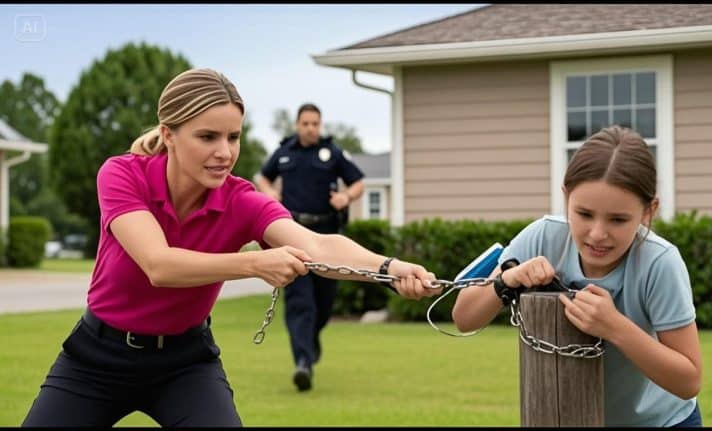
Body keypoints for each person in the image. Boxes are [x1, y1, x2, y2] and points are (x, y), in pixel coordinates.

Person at [21, 68, 441, 427]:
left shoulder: (240, 199)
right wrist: (254, 263)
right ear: (168, 134)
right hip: (96, 359)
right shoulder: (121, 175)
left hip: (185, 365)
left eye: (233, 137)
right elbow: (158, 265)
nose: (225, 153)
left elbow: (314, 243)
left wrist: (390, 267)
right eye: (207, 137)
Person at [451, 126, 703, 427]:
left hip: (663, 422)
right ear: (566, 196)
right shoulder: (543, 236)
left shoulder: (660, 263)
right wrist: (508, 280)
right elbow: (464, 318)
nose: (597, 234)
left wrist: (614, 327)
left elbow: (689, 380)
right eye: (584, 214)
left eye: (618, 219)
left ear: (649, 212)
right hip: (569, 418)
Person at [255, 103, 365, 392]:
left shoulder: (332, 153)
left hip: (327, 236)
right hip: (293, 236)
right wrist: (271, 193)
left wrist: (345, 197)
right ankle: (302, 363)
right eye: (305, 123)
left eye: (315, 123)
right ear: (297, 125)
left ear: (320, 125)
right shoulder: (284, 153)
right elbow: (262, 177)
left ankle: (310, 342)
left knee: (323, 305)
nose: (310, 128)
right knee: (300, 303)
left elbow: (358, 183)